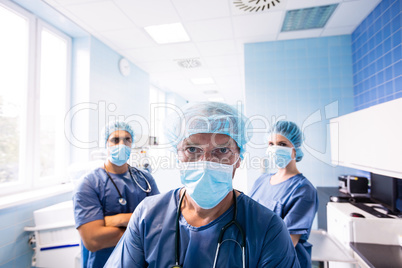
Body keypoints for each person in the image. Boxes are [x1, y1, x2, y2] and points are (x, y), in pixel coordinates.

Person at [104, 102, 300, 267]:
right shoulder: (148, 215)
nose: (206, 161)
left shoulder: (267, 229)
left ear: (239, 158)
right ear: (177, 155)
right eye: (192, 148)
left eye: (222, 150)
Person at [72, 121, 160, 268]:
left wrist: (115, 220)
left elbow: (158, 222)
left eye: (127, 139)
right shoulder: (88, 183)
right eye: (115, 140)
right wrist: (140, 227)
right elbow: (93, 240)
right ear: (106, 144)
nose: (122, 144)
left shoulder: (145, 179)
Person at [249, 120, 318, 268]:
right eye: (271, 144)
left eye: (282, 144)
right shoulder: (261, 181)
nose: (275, 149)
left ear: (295, 149)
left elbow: (287, 242)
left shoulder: (303, 189)